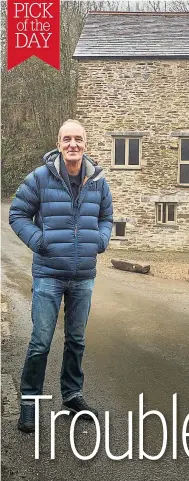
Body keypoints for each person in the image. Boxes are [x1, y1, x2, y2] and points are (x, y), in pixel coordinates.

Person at [9, 119, 113, 433]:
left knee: (77, 341)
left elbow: (107, 216)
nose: (73, 145)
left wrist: (101, 240)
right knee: (40, 342)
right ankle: (29, 402)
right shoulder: (40, 178)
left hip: (83, 275)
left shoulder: (97, 180)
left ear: (86, 144)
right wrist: (40, 241)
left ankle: (72, 395)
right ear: (58, 142)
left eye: (78, 139)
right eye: (67, 139)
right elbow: (17, 214)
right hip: (48, 275)